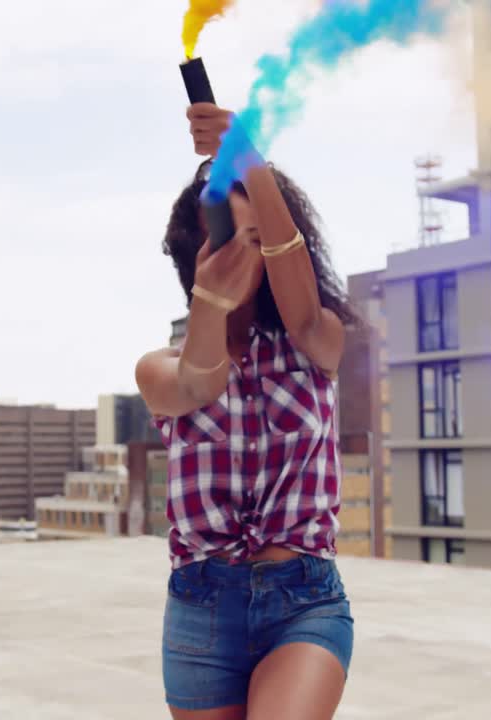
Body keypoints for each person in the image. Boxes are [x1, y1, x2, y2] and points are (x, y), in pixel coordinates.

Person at [135, 102, 360, 720]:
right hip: (201, 613)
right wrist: (209, 301)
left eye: (260, 240)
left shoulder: (317, 341)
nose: (249, 255)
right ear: (195, 250)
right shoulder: (159, 368)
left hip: (304, 600)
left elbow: (301, 305)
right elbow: (200, 383)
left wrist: (247, 157)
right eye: (232, 239)